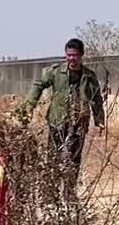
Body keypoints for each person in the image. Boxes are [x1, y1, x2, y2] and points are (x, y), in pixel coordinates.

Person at [20, 38, 106, 197]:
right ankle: (50, 194)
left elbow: (96, 99)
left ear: (81, 56)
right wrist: (29, 106)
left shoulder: (89, 76)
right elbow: (39, 84)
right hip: (57, 121)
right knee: (53, 157)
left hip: (79, 123)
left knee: (74, 159)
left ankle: (69, 193)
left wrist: (99, 120)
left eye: (75, 55)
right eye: (68, 55)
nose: (71, 59)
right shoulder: (56, 72)